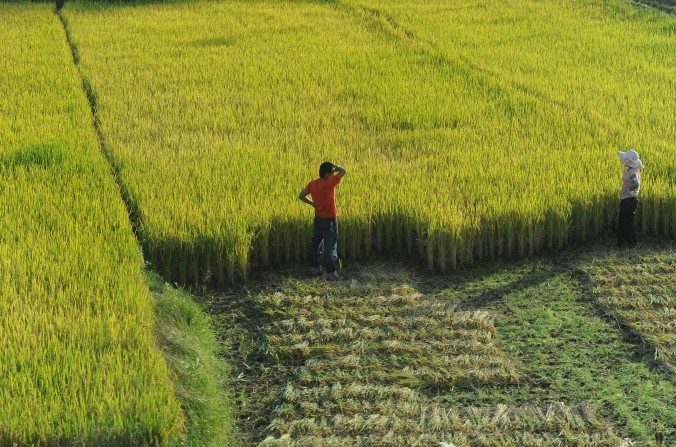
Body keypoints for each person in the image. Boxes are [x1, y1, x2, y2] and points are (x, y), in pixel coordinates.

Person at [298, 162, 347, 280]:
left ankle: (315, 268)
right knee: (329, 248)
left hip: (318, 220)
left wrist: (313, 203)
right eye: (331, 172)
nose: (333, 174)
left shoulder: (313, 184)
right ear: (327, 173)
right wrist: (336, 167)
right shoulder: (330, 182)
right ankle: (331, 273)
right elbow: (343, 171)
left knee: (315, 245)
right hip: (330, 221)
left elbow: (301, 195)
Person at [617, 149, 643, 249]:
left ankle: (631, 244)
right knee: (623, 221)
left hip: (629, 200)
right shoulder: (632, 169)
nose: (623, 160)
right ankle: (623, 244)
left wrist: (630, 190)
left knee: (626, 222)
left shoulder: (633, 171)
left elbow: (635, 182)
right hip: (628, 199)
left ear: (628, 160)